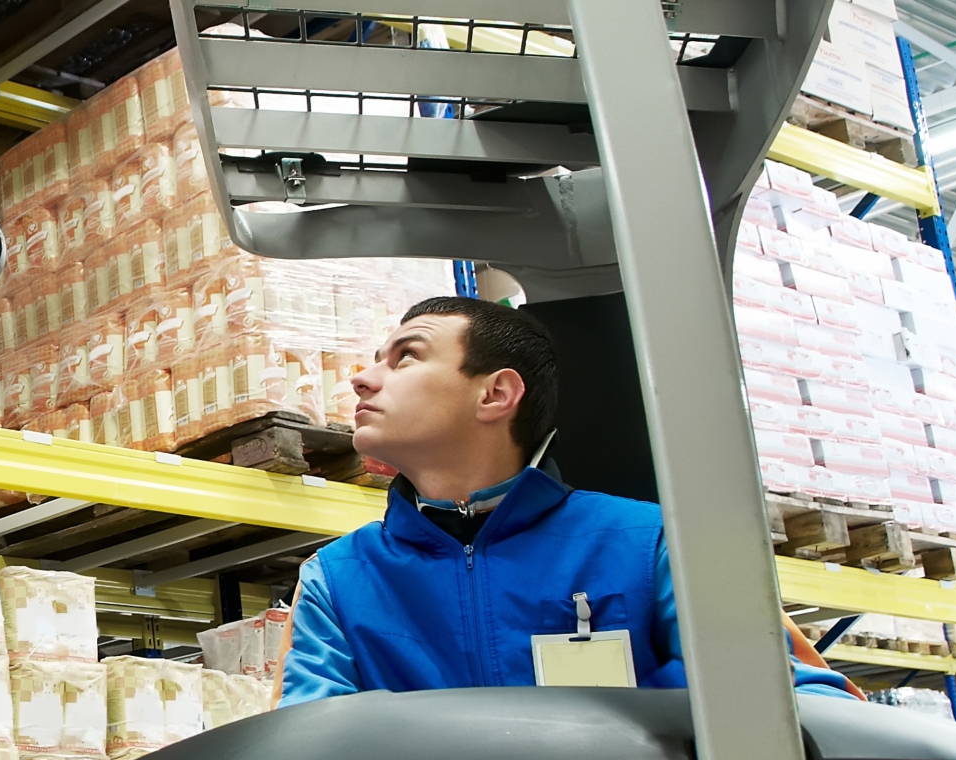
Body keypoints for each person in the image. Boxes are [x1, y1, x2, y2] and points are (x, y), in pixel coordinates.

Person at [279, 296, 856, 704]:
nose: (363, 378)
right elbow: (308, 757)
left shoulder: (655, 544)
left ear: (496, 393)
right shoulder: (337, 579)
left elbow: (792, 701)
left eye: (405, 356)